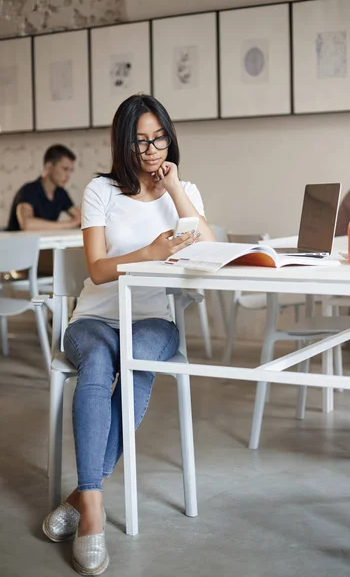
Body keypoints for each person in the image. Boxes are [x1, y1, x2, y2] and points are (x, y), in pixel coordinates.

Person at [41, 94, 215, 575]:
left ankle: (79, 495)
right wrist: (150, 253)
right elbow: (97, 270)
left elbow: (209, 248)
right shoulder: (101, 191)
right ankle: (93, 508)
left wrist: (175, 189)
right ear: (124, 143)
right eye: (140, 141)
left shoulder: (186, 191)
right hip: (95, 317)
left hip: (153, 320)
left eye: (159, 138)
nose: (152, 149)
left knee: (136, 362)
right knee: (97, 364)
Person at [7, 144, 81, 232]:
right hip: (19, 245)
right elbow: (27, 224)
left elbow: (80, 217)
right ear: (49, 166)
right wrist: (68, 224)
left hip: (42, 244)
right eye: (65, 169)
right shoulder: (28, 190)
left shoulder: (60, 193)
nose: (68, 175)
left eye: (70, 171)